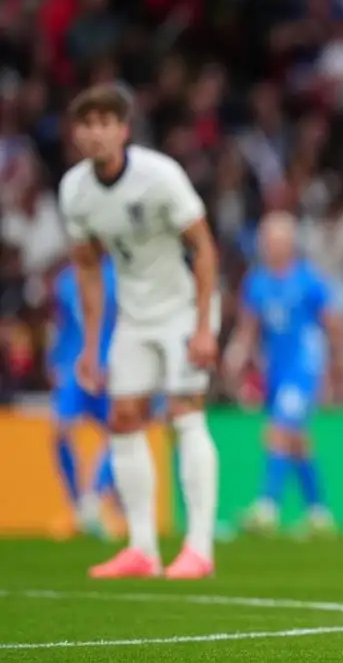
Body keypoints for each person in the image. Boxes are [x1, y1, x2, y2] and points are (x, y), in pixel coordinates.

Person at [58, 84, 222, 580]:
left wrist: (203, 328)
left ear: (124, 130)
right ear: (76, 134)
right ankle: (143, 549)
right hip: (134, 315)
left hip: (183, 310)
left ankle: (198, 548)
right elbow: (87, 268)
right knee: (124, 418)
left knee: (184, 414)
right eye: (87, 124)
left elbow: (205, 249)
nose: (96, 134)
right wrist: (90, 345)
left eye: (106, 123)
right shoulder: (75, 191)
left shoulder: (160, 177)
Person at [224, 211, 343, 536]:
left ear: (290, 244)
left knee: (278, 430)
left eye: (277, 241)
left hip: (305, 364)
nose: (271, 247)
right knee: (297, 443)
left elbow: (334, 324)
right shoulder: (256, 283)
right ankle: (319, 513)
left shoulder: (308, 280)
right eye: (267, 241)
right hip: (277, 368)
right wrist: (236, 354)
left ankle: (267, 507)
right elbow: (249, 327)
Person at [50, 254, 118, 536]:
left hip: (109, 367)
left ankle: (96, 497)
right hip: (74, 367)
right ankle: (81, 506)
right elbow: (62, 325)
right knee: (60, 432)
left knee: (119, 434)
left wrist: (117, 361)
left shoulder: (118, 277)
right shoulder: (65, 280)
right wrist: (55, 361)